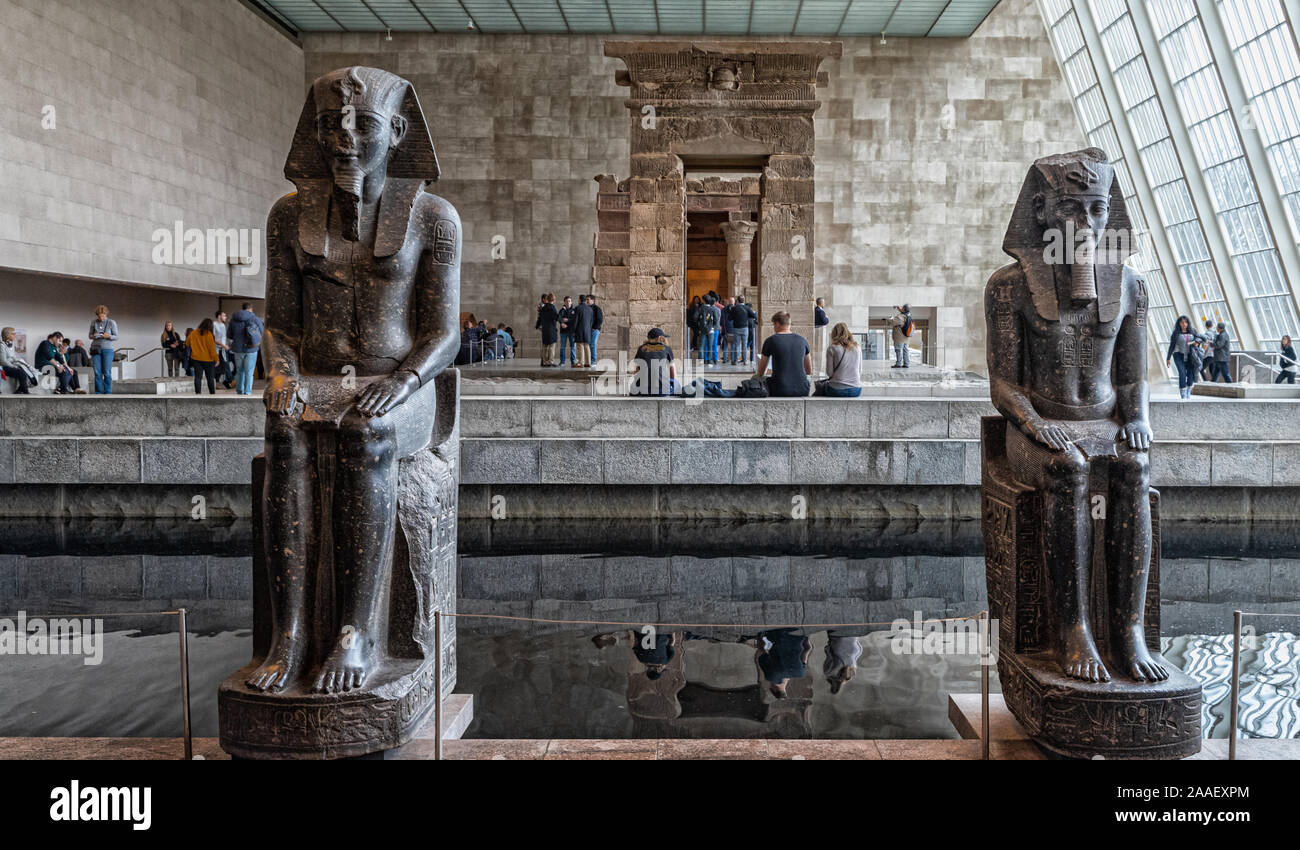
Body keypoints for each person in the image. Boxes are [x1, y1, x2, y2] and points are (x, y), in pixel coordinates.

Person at [756, 310, 811, 397]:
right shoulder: (803, 340)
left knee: (756, 378)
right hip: (803, 389)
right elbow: (809, 370)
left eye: (773, 324)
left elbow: (761, 372)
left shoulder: (771, 340)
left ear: (777, 323)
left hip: (779, 388)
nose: (774, 327)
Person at [815, 322, 862, 397]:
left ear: (834, 334)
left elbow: (829, 373)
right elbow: (859, 370)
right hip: (856, 390)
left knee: (819, 389)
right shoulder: (857, 347)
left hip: (836, 390)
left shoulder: (832, 348)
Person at [227, 302, 263, 396]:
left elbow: (229, 335)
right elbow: (262, 332)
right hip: (251, 349)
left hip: (238, 349)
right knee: (249, 372)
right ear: (251, 309)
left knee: (239, 371)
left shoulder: (233, 319)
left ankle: (239, 390)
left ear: (242, 308)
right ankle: (247, 392)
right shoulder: (256, 319)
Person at [629, 328, 677, 396]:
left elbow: (636, 370)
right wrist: (672, 383)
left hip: (643, 390)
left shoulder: (641, 348)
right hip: (661, 391)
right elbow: (672, 370)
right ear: (659, 338)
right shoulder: (667, 348)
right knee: (676, 384)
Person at [1165, 315, 1197, 399]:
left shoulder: (1193, 331)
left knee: (1190, 373)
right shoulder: (1176, 333)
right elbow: (1171, 346)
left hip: (1190, 355)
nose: (1184, 324)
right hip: (1178, 355)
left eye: (1186, 322)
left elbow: (1199, 340)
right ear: (1179, 323)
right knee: (1182, 373)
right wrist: (1168, 358)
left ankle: (1188, 390)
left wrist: (1197, 343)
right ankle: (1183, 392)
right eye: (1182, 322)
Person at [88, 304, 118, 393]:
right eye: (99, 316)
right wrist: (94, 336)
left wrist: (108, 336)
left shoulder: (111, 322)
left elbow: (116, 337)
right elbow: (89, 336)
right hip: (95, 348)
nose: (101, 318)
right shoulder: (94, 322)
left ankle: (108, 392)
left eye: (103, 316)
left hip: (108, 349)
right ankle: (98, 393)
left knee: (107, 372)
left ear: (106, 314)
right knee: (97, 372)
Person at [186, 318, 219, 394]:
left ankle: (198, 394)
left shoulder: (193, 333)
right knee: (210, 378)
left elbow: (187, 343)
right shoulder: (209, 335)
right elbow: (212, 349)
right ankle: (212, 394)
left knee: (198, 377)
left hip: (196, 358)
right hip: (208, 360)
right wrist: (216, 359)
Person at [0, 327, 36, 393]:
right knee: (21, 373)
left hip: (11, 365)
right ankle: (25, 391)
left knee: (26, 370)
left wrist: (20, 363)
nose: (15, 335)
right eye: (13, 334)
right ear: (7, 335)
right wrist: (14, 366)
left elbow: (13, 357)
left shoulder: (10, 345)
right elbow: (3, 361)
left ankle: (19, 390)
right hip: (4, 367)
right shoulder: (1, 345)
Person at [213, 310, 235, 389]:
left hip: (223, 349)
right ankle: (228, 380)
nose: (225, 317)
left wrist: (226, 345)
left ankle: (228, 381)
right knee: (217, 366)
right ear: (219, 316)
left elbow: (224, 338)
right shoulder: (214, 324)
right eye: (224, 315)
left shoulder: (223, 325)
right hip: (216, 349)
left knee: (225, 365)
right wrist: (223, 345)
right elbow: (213, 339)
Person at [536, 292, 559, 366]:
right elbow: (556, 317)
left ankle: (545, 361)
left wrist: (537, 326)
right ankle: (550, 361)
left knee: (545, 346)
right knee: (552, 345)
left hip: (544, 329)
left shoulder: (543, 308)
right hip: (551, 329)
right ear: (553, 300)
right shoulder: (553, 307)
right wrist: (562, 321)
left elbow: (540, 318)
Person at [887, 304, 912, 368]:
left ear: (903, 309)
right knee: (905, 350)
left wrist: (890, 318)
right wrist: (899, 308)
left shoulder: (900, 317)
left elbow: (893, 322)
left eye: (902, 307)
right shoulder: (908, 315)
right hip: (906, 337)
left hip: (900, 337)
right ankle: (906, 364)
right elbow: (902, 312)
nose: (901, 308)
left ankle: (899, 364)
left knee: (898, 350)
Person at [572, 294, 594, 368]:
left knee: (580, 346)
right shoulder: (590, 309)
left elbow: (575, 321)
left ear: (580, 300)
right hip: (587, 330)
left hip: (579, 330)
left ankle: (581, 363)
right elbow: (591, 321)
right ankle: (588, 363)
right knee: (587, 346)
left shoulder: (578, 308)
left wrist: (573, 330)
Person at [728, 297, 751, 365]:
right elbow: (754, 315)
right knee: (744, 345)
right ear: (744, 300)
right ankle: (745, 361)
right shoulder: (747, 308)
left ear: (737, 301)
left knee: (736, 345)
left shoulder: (734, 308)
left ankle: (735, 360)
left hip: (736, 328)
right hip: (745, 328)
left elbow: (729, 318)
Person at [557, 296, 576, 366]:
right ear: (564, 302)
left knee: (573, 347)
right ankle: (562, 362)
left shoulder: (574, 310)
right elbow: (559, 317)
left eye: (569, 301)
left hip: (572, 331)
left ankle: (573, 361)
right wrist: (562, 323)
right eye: (567, 301)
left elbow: (575, 320)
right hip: (563, 331)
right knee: (562, 347)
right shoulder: (562, 310)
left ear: (571, 302)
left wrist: (568, 320)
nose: (568, 302)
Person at [814, 296, 830, 376]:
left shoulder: (815, 310)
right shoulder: (820, 311)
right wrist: (827, 318)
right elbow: (824, 321)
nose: (824, 303)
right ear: (820, 303)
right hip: (819, 330)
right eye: (823, 302)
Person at [587, 294, 603, 362]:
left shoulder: (597, 308)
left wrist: (594, 327)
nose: (586, 301)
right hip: (588, 330)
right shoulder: (586, 308)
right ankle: (588, 360)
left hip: (595, 330)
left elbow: (600, 320)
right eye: (586, 299)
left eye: (588, 299)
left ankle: (593, 361)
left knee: (592, 344)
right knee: (587, 345)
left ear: (592, 300)